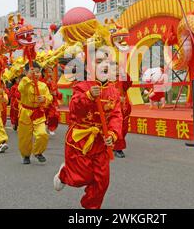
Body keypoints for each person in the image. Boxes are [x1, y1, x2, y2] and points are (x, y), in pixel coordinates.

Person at [53, 48, 123, 209]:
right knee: (81, 178)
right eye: (98, 62)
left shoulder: (113, 91)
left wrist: (112, 134)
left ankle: (91, 208)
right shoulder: (82, 86)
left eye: (106, 61)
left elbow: (116, 116)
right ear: (89, 67)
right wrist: (89, 96)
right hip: (81, 140)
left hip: (101, 142)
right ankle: (64, 173)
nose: (103, 65)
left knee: (102, 181)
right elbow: (74, 108)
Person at [17, 62, 53, 164]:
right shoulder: (24, 83)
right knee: (25, 137)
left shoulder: (43, 85)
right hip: (25, 113)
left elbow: (49, 97)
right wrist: (28, 78)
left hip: (38, 113)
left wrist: (44, 99)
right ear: (26, 72)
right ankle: (26, 155)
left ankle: (38, 152)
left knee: (42, 134)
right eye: (34, 72)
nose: (36, 74)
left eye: (38, 72)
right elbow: (20, 89)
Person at [110, 61, 133, 159]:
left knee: (123, 128)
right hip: (110, 108)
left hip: (123, 108)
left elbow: (129, 83)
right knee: (112, 128)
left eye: (117, 68)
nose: (116, 71)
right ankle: (117, 148)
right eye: (113, 69)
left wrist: (123, 72)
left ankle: (117, 147)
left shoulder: (122, 79)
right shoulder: (106, 80)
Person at [42, 67, 62, 136]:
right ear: (44, 73)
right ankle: (42, 128)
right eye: (48, 72)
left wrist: (56, 93)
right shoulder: (41, 82)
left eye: (51, 72)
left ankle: (50, 128)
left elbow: (57, 92)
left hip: (52, 102)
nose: (50, 73)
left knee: (54, 115)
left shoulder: (53, 82)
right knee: (43, 116)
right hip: (44, 102)